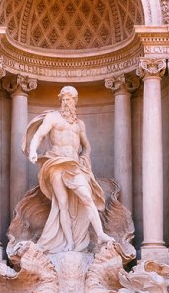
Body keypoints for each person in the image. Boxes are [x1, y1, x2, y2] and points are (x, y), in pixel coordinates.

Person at [24, 86, 110, 254]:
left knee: (87, 198)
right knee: (61, 204)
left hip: (74, 165)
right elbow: (39, 135)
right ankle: (69, 243)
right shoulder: (52, 118)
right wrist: (33, 150)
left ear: (75, 101)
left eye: (69, 99)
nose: (65, 102)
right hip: (56, 163)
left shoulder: (79, 124)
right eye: (63, 99)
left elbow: (86, 146)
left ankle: (100, 234)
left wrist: (85, 158)